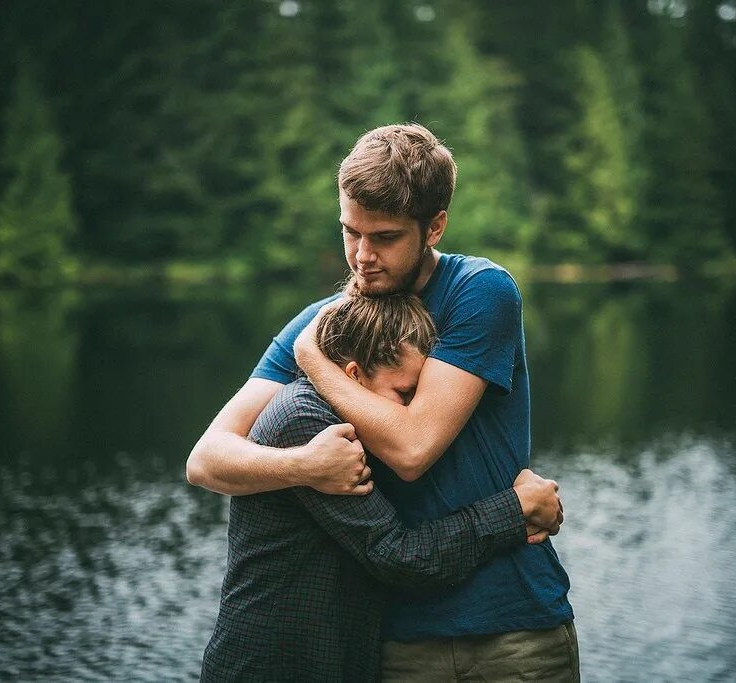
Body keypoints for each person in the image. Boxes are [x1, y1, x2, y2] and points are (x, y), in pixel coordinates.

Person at [187, 123, 578, 681]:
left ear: (434, 226)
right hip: (394, 644)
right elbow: (207, 459)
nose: (362, 257)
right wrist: (305, 466)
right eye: (351, 232)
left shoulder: (481, 292)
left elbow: (412, 446)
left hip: (509, 634)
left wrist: (316, 364)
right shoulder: (327, 319)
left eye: (386, 237)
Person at [199, 293, 563, 682]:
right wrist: (515, 508)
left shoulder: (345, 423)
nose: (408, 410)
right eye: (403, 392)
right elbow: (398, 556)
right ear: (354, 375)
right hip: (272, 667)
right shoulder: (306, 421)